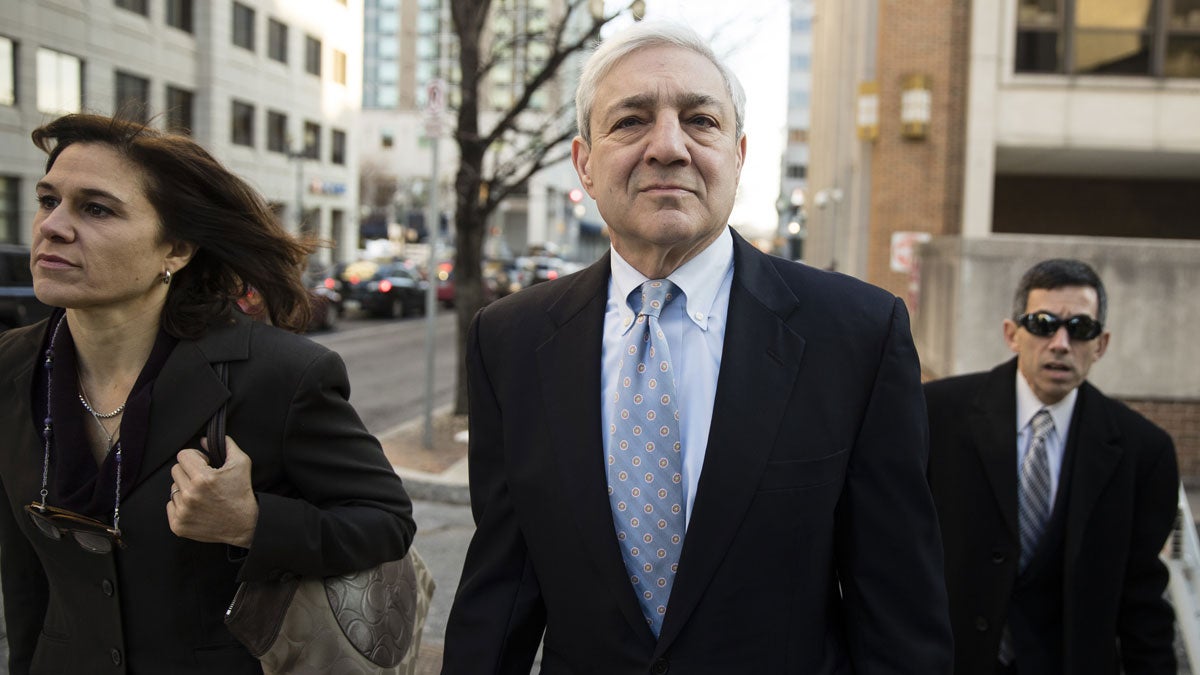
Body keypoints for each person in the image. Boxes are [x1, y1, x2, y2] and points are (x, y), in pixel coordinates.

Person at [442, 21, 953, 673]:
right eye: (630, 120)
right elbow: (501, 590)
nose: (668, 147)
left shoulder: (856, 334)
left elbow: (899, 608)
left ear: (738, 154)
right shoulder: (510, 339)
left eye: (699, 120)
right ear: (585, 163)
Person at [0, 113, 416, 674]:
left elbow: (385, 522)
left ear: (175, 249)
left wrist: (251, 522)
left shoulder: (279, 374)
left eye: (96, 208)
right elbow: (24, 575)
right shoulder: (12, 365)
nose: (53, 226)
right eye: (48, 200)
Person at [925, 258, 1179, 674]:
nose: (1061, 343)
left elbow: (1143, 600)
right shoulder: (936, 415)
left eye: (1080, 329)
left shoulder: (1144, 452)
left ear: (1101, 344)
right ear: (1012, 334)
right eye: (1043, 324)